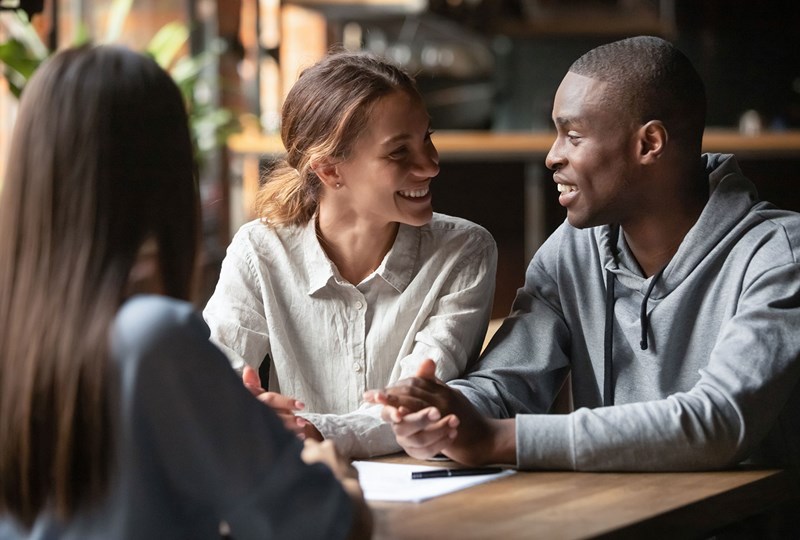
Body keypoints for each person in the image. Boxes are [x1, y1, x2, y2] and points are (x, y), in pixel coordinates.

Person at [369, 35, 800, 486]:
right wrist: (443, 418)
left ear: (649, 144)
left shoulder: (778, 256)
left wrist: (497, 440)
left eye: (572, 136)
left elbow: (718, 423)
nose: (553, 156)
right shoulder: (572, 252)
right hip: (619, 518)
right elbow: (504, 383)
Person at [0, 45, 370, 539]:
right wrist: (335, 475)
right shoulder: (151, 338)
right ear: (166, 175)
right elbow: (322, 525)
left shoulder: (17, 333)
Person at [202, 51, 497, 457]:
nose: (430, 164)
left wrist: (305, 429)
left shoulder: (464, 251)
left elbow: (414, 408)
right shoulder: (259, 252)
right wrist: (242, 409)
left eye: (426, 137)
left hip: (426, 496)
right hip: (297, 491)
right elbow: (216, 386)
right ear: (329, 171)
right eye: (399, 152)